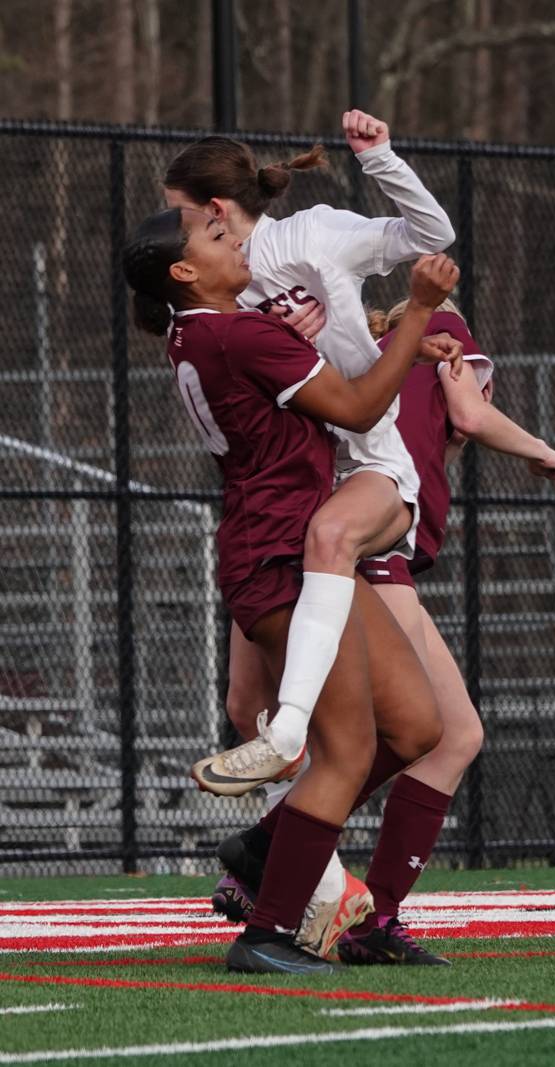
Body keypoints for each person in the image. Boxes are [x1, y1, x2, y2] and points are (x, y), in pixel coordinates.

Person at [122, 203, 460, 975]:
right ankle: (267, 931)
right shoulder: (237, 334)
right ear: (184, 272)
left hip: (286, 545)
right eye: (213, 237)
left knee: (416, 726)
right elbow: (360, 407)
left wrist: (380, 336)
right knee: (347, 751)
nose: (235, 238)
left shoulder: (205, 332)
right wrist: (419, 311)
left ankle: (268, 842)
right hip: (280, 558)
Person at [212, 300, 555, 966]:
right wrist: (554, 458)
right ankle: (335, 902)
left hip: (290, 539)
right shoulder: (445, 331)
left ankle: (278, 869)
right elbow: (469, 411)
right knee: (445, 732)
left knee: (303, 724)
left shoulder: (353, 350)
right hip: (363, 550)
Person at [163, 110, 457, 786]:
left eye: (175, 212)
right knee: (244, 705)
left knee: (408, 725)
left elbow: (432, 236)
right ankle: (291, 868)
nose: (170, 226)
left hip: (364, 468)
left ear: (212, 210)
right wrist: (382, 335)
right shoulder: (212, 300)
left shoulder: (311, 235)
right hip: (287, 491)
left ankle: (291, 742)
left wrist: (380, 159)